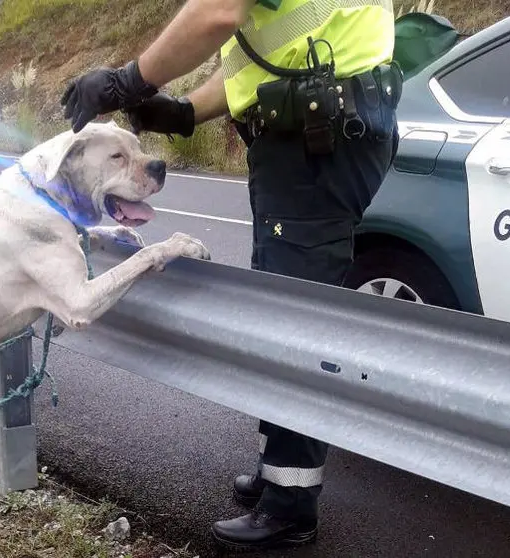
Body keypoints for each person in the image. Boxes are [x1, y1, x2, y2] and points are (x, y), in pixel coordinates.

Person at [60, 0, 400, 551]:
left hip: (320, 135)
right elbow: (259, 59)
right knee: (277, 305)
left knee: (294, 320)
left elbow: (217, 12)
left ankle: (291, 506)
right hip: (311, 132)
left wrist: (128, 82)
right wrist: (184, 112)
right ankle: (278, 474)